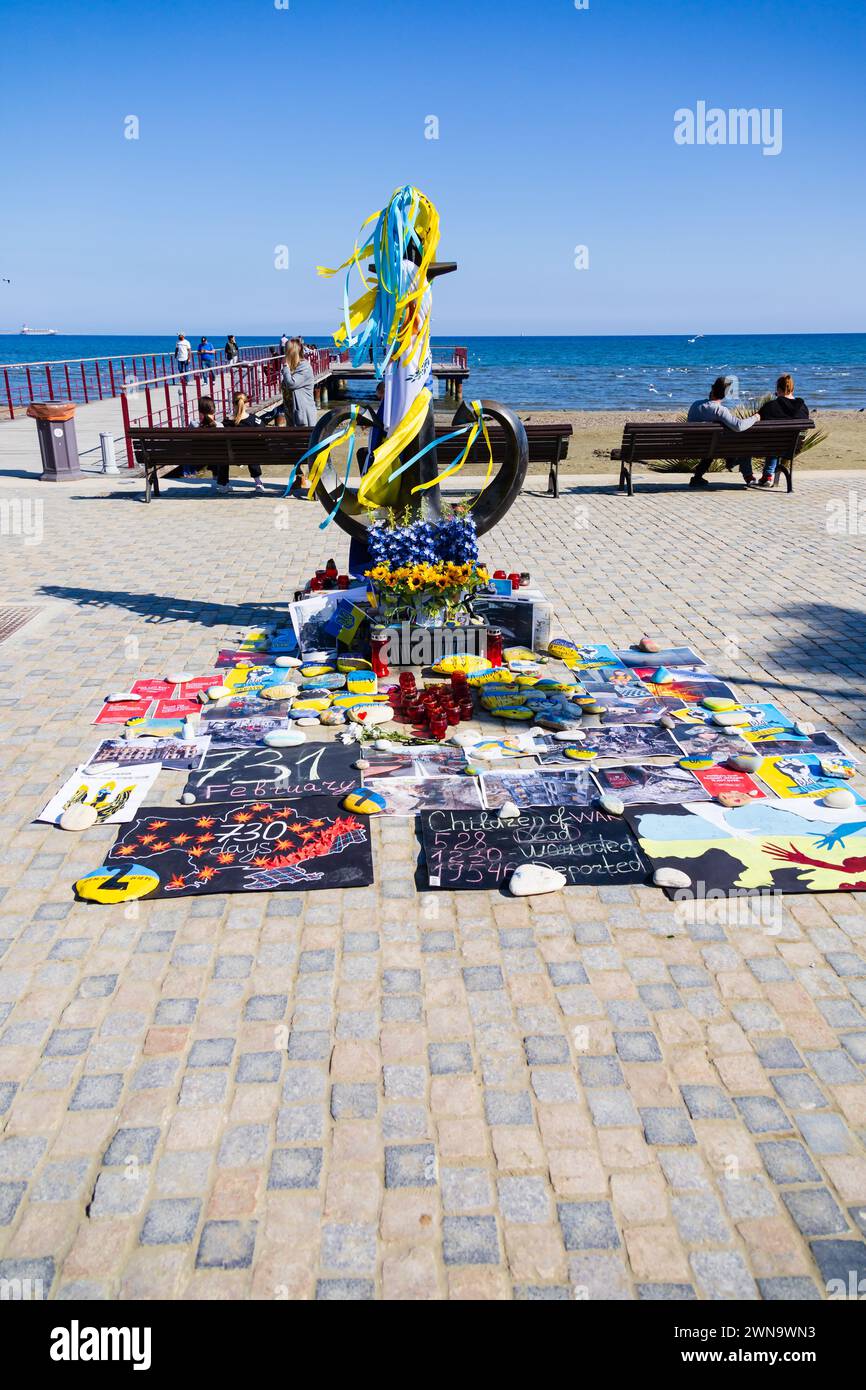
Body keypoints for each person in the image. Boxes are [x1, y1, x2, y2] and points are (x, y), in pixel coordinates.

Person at [687, 376, 760, 488]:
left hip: (693, 445)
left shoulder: (695, 405)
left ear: (712, 389)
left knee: (711, 445)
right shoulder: (720, 410)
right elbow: (739, 426)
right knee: (742, 442)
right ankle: (733, 463)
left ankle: (698, 477)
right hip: (714, 448)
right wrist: (755, 417)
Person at [756, 373, 810, 487]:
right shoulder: (803, 407)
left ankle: (767, 475)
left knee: (774, 441)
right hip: (795, 447)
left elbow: (757, 422)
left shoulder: (771, 406)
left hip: (772, 446)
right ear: (792, 389)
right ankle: (768, 475)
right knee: (777, 442)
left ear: (778, 389)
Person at [222, 391, 266, 493]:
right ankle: (258, 483)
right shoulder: (255, 421)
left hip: (232, 456)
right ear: (246, 404)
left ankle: (224, 484)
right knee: (253, 450)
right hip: (251, 455)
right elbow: (264, 440)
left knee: (223, 453)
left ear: (233, 404)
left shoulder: (227, 423)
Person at [281, 340, 317, 427]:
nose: (284, 353)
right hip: (291, 412)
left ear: (291, 352)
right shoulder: (293, 367)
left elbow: (291, 383)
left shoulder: (304, 366)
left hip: (303, 414)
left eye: (286, 350)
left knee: (304, 439)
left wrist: (285, 367)